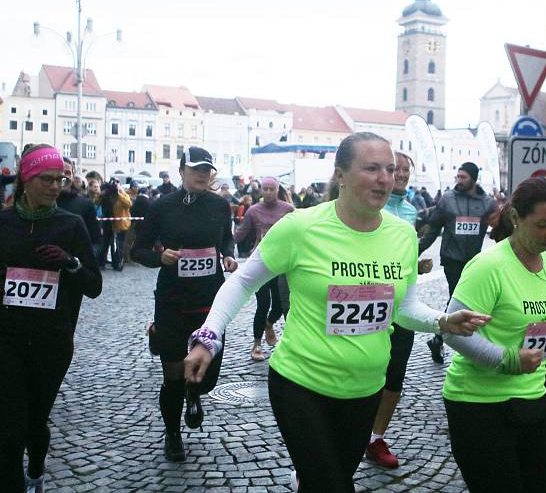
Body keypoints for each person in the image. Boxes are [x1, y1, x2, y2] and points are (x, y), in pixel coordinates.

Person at [183, 132, 489, 492]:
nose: (384, 178)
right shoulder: (301, 227)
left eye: (389, 169)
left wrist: (441, 320)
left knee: (333, 478)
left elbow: (402, 309)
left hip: (365, 389)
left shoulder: (403, 235)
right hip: (301, 385)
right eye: (372, 168)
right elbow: (242, 281)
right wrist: (209, 335)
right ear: (340, 175)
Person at [440, 177, 546, 493]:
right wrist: (507, 359)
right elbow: (454, 334)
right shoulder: (488, 266)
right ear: (516, 218)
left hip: (533, 400)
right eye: (542, 225)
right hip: (479, 403)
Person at [0, 144, 102, 493]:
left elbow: (94, 285)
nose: (55, 186)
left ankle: (37, 466)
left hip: (52, 340)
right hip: (7, 338)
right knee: (9, 429)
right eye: (46, 179)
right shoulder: (4, 223)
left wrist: (69, 263)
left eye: (60, 179)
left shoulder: (70, 224)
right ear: (26, 179)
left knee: (34, 424)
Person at [132, 146, 238, 462]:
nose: (203, 174)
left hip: (210, 301)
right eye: (196, 169)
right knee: (173, 375)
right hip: (172, 301)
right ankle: (173, 434)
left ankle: (195, 392)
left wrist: (229, 255)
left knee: (207, 378)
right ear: (182, 171)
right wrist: (159, 257)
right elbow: (138, 250)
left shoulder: (220, 205)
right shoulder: (161, 206)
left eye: (207, 169)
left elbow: (226, 239)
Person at [365, 150, 434, 469]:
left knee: (395, 377)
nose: (402, 175)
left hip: (401, 305)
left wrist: (415, 264)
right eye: (397, 169)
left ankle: (376, 437)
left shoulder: (410, 210)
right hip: (366, 303)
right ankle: (353, 432)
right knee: (363, 372)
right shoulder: (366, 206)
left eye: (405, 170)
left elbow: (402, 257)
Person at [419, 161, 498, 363]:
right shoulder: (447, 200)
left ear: (473, 178)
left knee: (468, 300)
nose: (459, 180)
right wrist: (414, 251)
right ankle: (442, 336)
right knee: (457, 296)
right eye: (458, 176)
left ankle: (441, 337)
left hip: (474, 261)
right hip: (452, 258)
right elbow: (433, 229)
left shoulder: (487, 203)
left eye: (463, 177)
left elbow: (499, 230)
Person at [233, 177, 294, 360]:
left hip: (281, 263)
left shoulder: (287, 209)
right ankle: (256, 344)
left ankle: (269, 324)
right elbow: (240, 234)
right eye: (265, 189)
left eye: (271, 189)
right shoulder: (254, 210)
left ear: (277, 190)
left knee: (280, 305)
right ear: (261, 191)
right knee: (263, 304)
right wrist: (222, 241)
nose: (268, 192)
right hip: (260, 261)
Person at [56, 157, 101, 249]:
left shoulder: (85, 204)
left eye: (67, 173)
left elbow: (95, 240)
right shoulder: (43, 201)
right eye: (59, 172)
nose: (64, 176)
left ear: (73, 176)